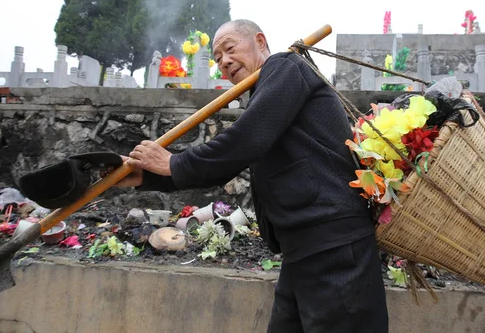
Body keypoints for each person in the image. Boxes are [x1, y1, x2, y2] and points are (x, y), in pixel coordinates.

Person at [114, 20, 389, 332]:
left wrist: (174, 163)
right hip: (301, 253)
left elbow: (244, 141)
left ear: (260, 41)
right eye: (218, 59)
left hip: (335, 249)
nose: (225, 62)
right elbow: (230, 161)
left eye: (230, 49)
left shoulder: (286, 67)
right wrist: (147, 177)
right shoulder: (266, 94)